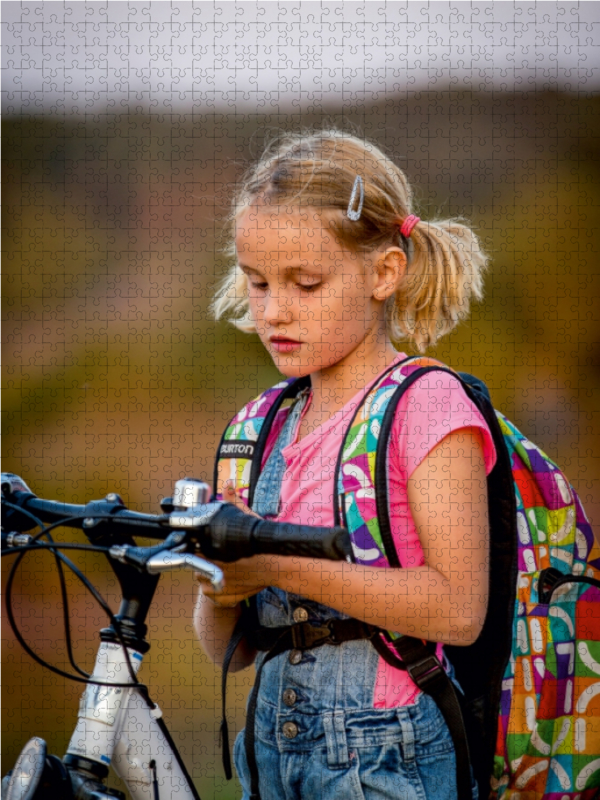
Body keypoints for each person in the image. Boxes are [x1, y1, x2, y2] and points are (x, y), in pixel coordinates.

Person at [193, 129, 497, 800]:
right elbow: (231, 650)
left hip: (384, 754)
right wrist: (219, 583)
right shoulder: (255, 429)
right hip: (269, 750)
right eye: (258, 283)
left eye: (306, 284)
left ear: (383, 273)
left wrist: (273, 566)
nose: (274, 311)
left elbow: (456, 607)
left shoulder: (426, 406)